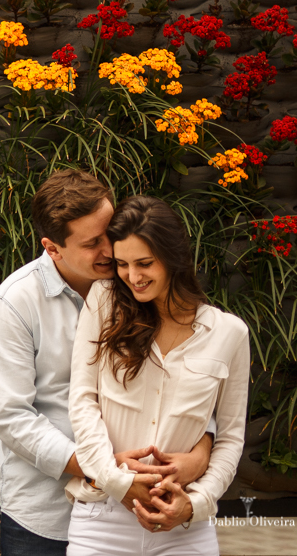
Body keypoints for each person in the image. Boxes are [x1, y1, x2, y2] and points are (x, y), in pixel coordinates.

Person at [0, 170, 214, 555]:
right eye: (92, 243)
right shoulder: (15, 304)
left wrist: (199, 453)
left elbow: (191, 379)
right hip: (46, 515)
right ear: (53, 248)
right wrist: (103, 469)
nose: (110, 249)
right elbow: (13, 418)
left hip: (143, 513)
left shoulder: (142, 284)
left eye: (110, 232)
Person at [65, 195, 250, 556]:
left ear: (173, 256)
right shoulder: (103, 303)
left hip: (184, 528)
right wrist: (117, 481)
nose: (132, 277)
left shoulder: (230, 333)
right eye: (122, 264)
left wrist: (196, 503)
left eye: (144, 263)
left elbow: (230, 437)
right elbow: (83, 402)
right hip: (103, 519)